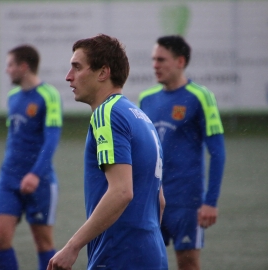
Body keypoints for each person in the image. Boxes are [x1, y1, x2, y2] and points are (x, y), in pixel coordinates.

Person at [48, 34, 168, 270]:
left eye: (77, 67)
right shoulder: (141, 118)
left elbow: (122, 191)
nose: (68, 76)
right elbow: (160, 201)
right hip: (152, 253)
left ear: (103, 73)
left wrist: (72, 247)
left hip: (118, 255)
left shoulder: (106, 114)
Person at [139, 35, 226, 270]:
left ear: (180, 61)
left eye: (161, 59)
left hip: (187, 201)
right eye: (153, 59)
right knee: (145, 262)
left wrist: (211, 201)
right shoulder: (146, 99)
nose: (155, 65)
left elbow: (217, 152)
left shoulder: (200, 96)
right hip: (152, 200)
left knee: (187, 264)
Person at [0, 45, 62, 270]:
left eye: (10, 65)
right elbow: (15, 137)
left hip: (39, 180)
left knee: (43, 242)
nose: (7, 70)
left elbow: (51, 139)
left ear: (24, 66)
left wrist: (35, 174)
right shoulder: (12, 97)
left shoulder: (48, 95)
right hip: (8, 179)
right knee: (0, 236)